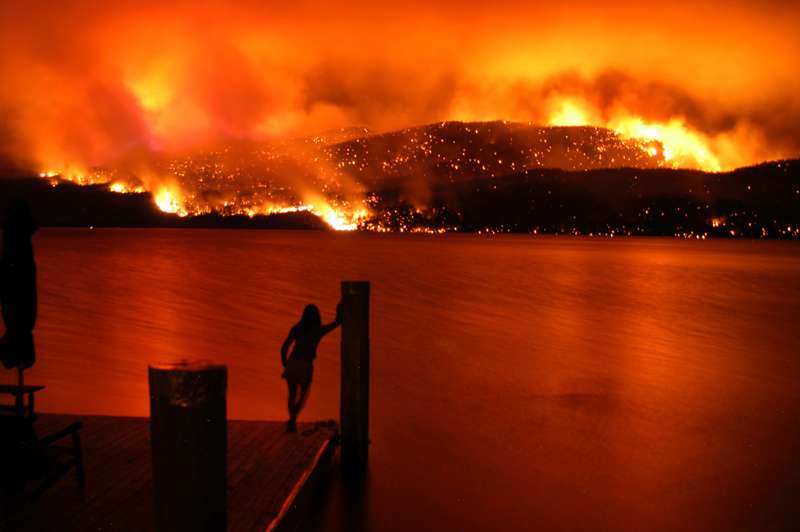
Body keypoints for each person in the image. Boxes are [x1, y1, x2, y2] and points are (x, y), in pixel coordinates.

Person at [280, 303, 341, 432]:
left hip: (293, 362)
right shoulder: (318, 331)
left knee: (292, 395)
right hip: (305, 365)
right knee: (302, 395)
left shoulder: (296, 328)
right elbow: (336, 323)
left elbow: (284, 347)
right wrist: (340, 311)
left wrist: (285, 363)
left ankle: (292, 420)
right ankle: (292, 420)